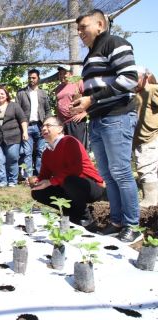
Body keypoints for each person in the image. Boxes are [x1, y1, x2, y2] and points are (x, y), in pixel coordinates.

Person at [71, 9, 140, 242]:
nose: (80, 32)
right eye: (78, 29)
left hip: (117, 115)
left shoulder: (114, 43)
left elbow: (129, 79)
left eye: (84, 27)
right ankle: (117, 221)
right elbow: (98, 87)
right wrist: (85, 105)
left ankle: (133, 225)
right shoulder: (90, 56)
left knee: (121, 172)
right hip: (99, 119)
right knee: (108, 176)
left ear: (100, 24)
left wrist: (92, 99)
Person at [31, 116, 105, 225]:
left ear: (60, 128)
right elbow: (44, 175)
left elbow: (75, 169)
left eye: (48, 125)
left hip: (90, 186)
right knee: (38, 192)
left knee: (70, 181)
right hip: (67, 186)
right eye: (43, 126)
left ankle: (85, 217)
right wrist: (36, 181)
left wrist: (51, 182)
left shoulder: (69, 141)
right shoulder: (47, 152)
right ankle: (69, 212)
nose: (44, 129)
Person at [0, 86, 28, 187]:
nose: (0, 96)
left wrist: (25, 132)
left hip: (13, 136)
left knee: (12, 159)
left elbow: (23, 119)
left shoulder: (14, 106)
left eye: (2, 94)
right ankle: (2, 182)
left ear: (6, 95)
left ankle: (12, 181)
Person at [16, 69, 52, 177]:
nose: (31, 80)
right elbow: (17, 110)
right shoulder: (21, 93)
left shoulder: (43, 93)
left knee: (41, 152)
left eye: (33, 78)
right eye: (29, 77)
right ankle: (28, 177)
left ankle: (40, 175)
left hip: (41, 126)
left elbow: (48, 110)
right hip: (27, 127)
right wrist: (22, 128)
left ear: (38, 78)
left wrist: (46, 123)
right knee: (27, 153)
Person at [133, 67, 158, 207]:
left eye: (136, 78)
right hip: (139, 139)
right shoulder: (135, 94)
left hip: (150, 137)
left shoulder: (152, 89)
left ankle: (151, 200)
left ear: (144, 77)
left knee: (146, 168)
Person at [54, 65, 87, 145]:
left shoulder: (78, 83)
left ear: (70, 74)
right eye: (60, 74)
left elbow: (89, 98)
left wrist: (84, 113)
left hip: (75, 122)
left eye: (64, 73)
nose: (61, 76)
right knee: (66, 148)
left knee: (78, 147)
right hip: (63, 123)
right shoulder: (58, 88)